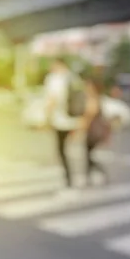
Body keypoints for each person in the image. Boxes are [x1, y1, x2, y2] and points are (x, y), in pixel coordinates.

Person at [44, 57, 82, 189]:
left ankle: (68, 177)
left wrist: (47, 117)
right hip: (74, 119)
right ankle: (74, 174)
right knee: (67, 149)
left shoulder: (54, 79)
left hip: (60, 120)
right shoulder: (74, 77)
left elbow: (52, 99)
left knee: (61, 150)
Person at [83, 78, 111, 186]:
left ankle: (97, 174)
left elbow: (89, 116)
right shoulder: (97, 98)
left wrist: (78, 130)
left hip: (92, 132)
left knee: (89, 156)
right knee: (89, 156)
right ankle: (90, 176)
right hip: (94, 132)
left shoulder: (94, 99)